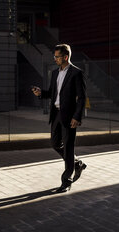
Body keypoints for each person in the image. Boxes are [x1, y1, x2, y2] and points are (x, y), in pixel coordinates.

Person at [32, 44, 87, 193]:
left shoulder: (76, 73)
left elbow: (81, 98)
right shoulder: (55, 73)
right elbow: (52, 93)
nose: (54, 59)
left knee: (68, 148)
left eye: (57, 56)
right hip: (56, 114)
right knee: (55, 143)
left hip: (69, 117)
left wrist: (77, 117)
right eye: (54, 56)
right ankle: (76, 163)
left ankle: (66, 181)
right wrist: (41, 93)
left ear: (65, 57)